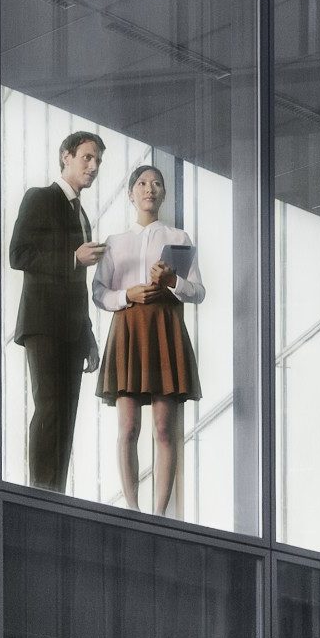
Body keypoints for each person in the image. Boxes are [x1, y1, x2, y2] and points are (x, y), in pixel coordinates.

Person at [93, 164, 205, 515]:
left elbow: (198, 292)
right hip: (129, 328)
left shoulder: (178, 239)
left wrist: (172, 281)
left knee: (163, 427)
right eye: (142, 183)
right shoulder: (115, 242)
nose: (149, 189)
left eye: (156, 184)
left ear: (163, 194)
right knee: (128, 425)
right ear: (131, 193)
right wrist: (129, 295)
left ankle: (158, 512)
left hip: (164, 327)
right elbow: (98, 292)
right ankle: (132, 506)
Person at [9, 131, 106, 492]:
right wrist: (72, 258)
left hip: (71, 330)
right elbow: (18, 254)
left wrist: (89, 338)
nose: (93, 167)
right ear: (66, 156)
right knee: (49, 409)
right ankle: (39, 492)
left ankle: (55, 495)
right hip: (43, 324)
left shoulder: (82, 216)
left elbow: (77, 287)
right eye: (87, 157)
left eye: (97, 161)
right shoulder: (40, 197)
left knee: (66, 417)